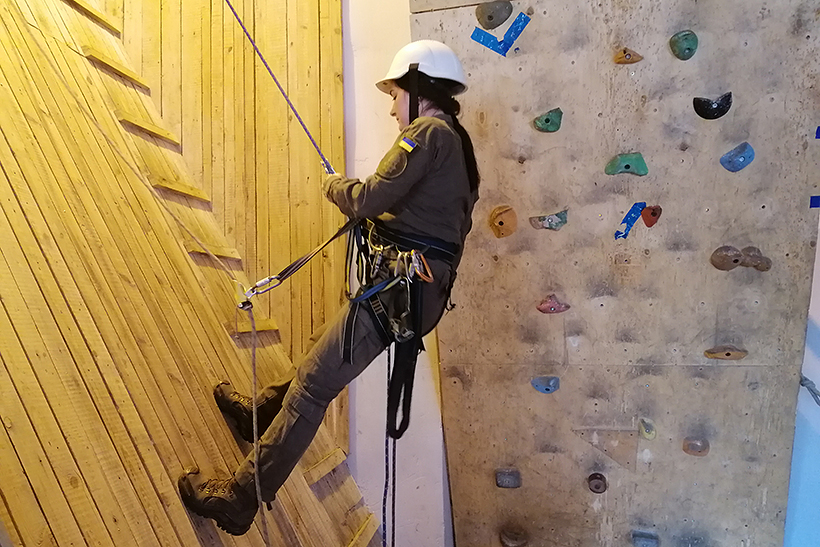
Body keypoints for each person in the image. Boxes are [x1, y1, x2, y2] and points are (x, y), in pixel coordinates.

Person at [177, 39, 480, 536]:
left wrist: (334, 186)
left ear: (418, 86)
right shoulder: (456, 144)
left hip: (399, 290)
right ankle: (260, 412)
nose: (392, 108)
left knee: (314, 387)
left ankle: (240, 498)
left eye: (395, 94)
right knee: (321, 350)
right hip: (408, 292)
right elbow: (424, 219)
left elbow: (367, 198)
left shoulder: (427, 133)